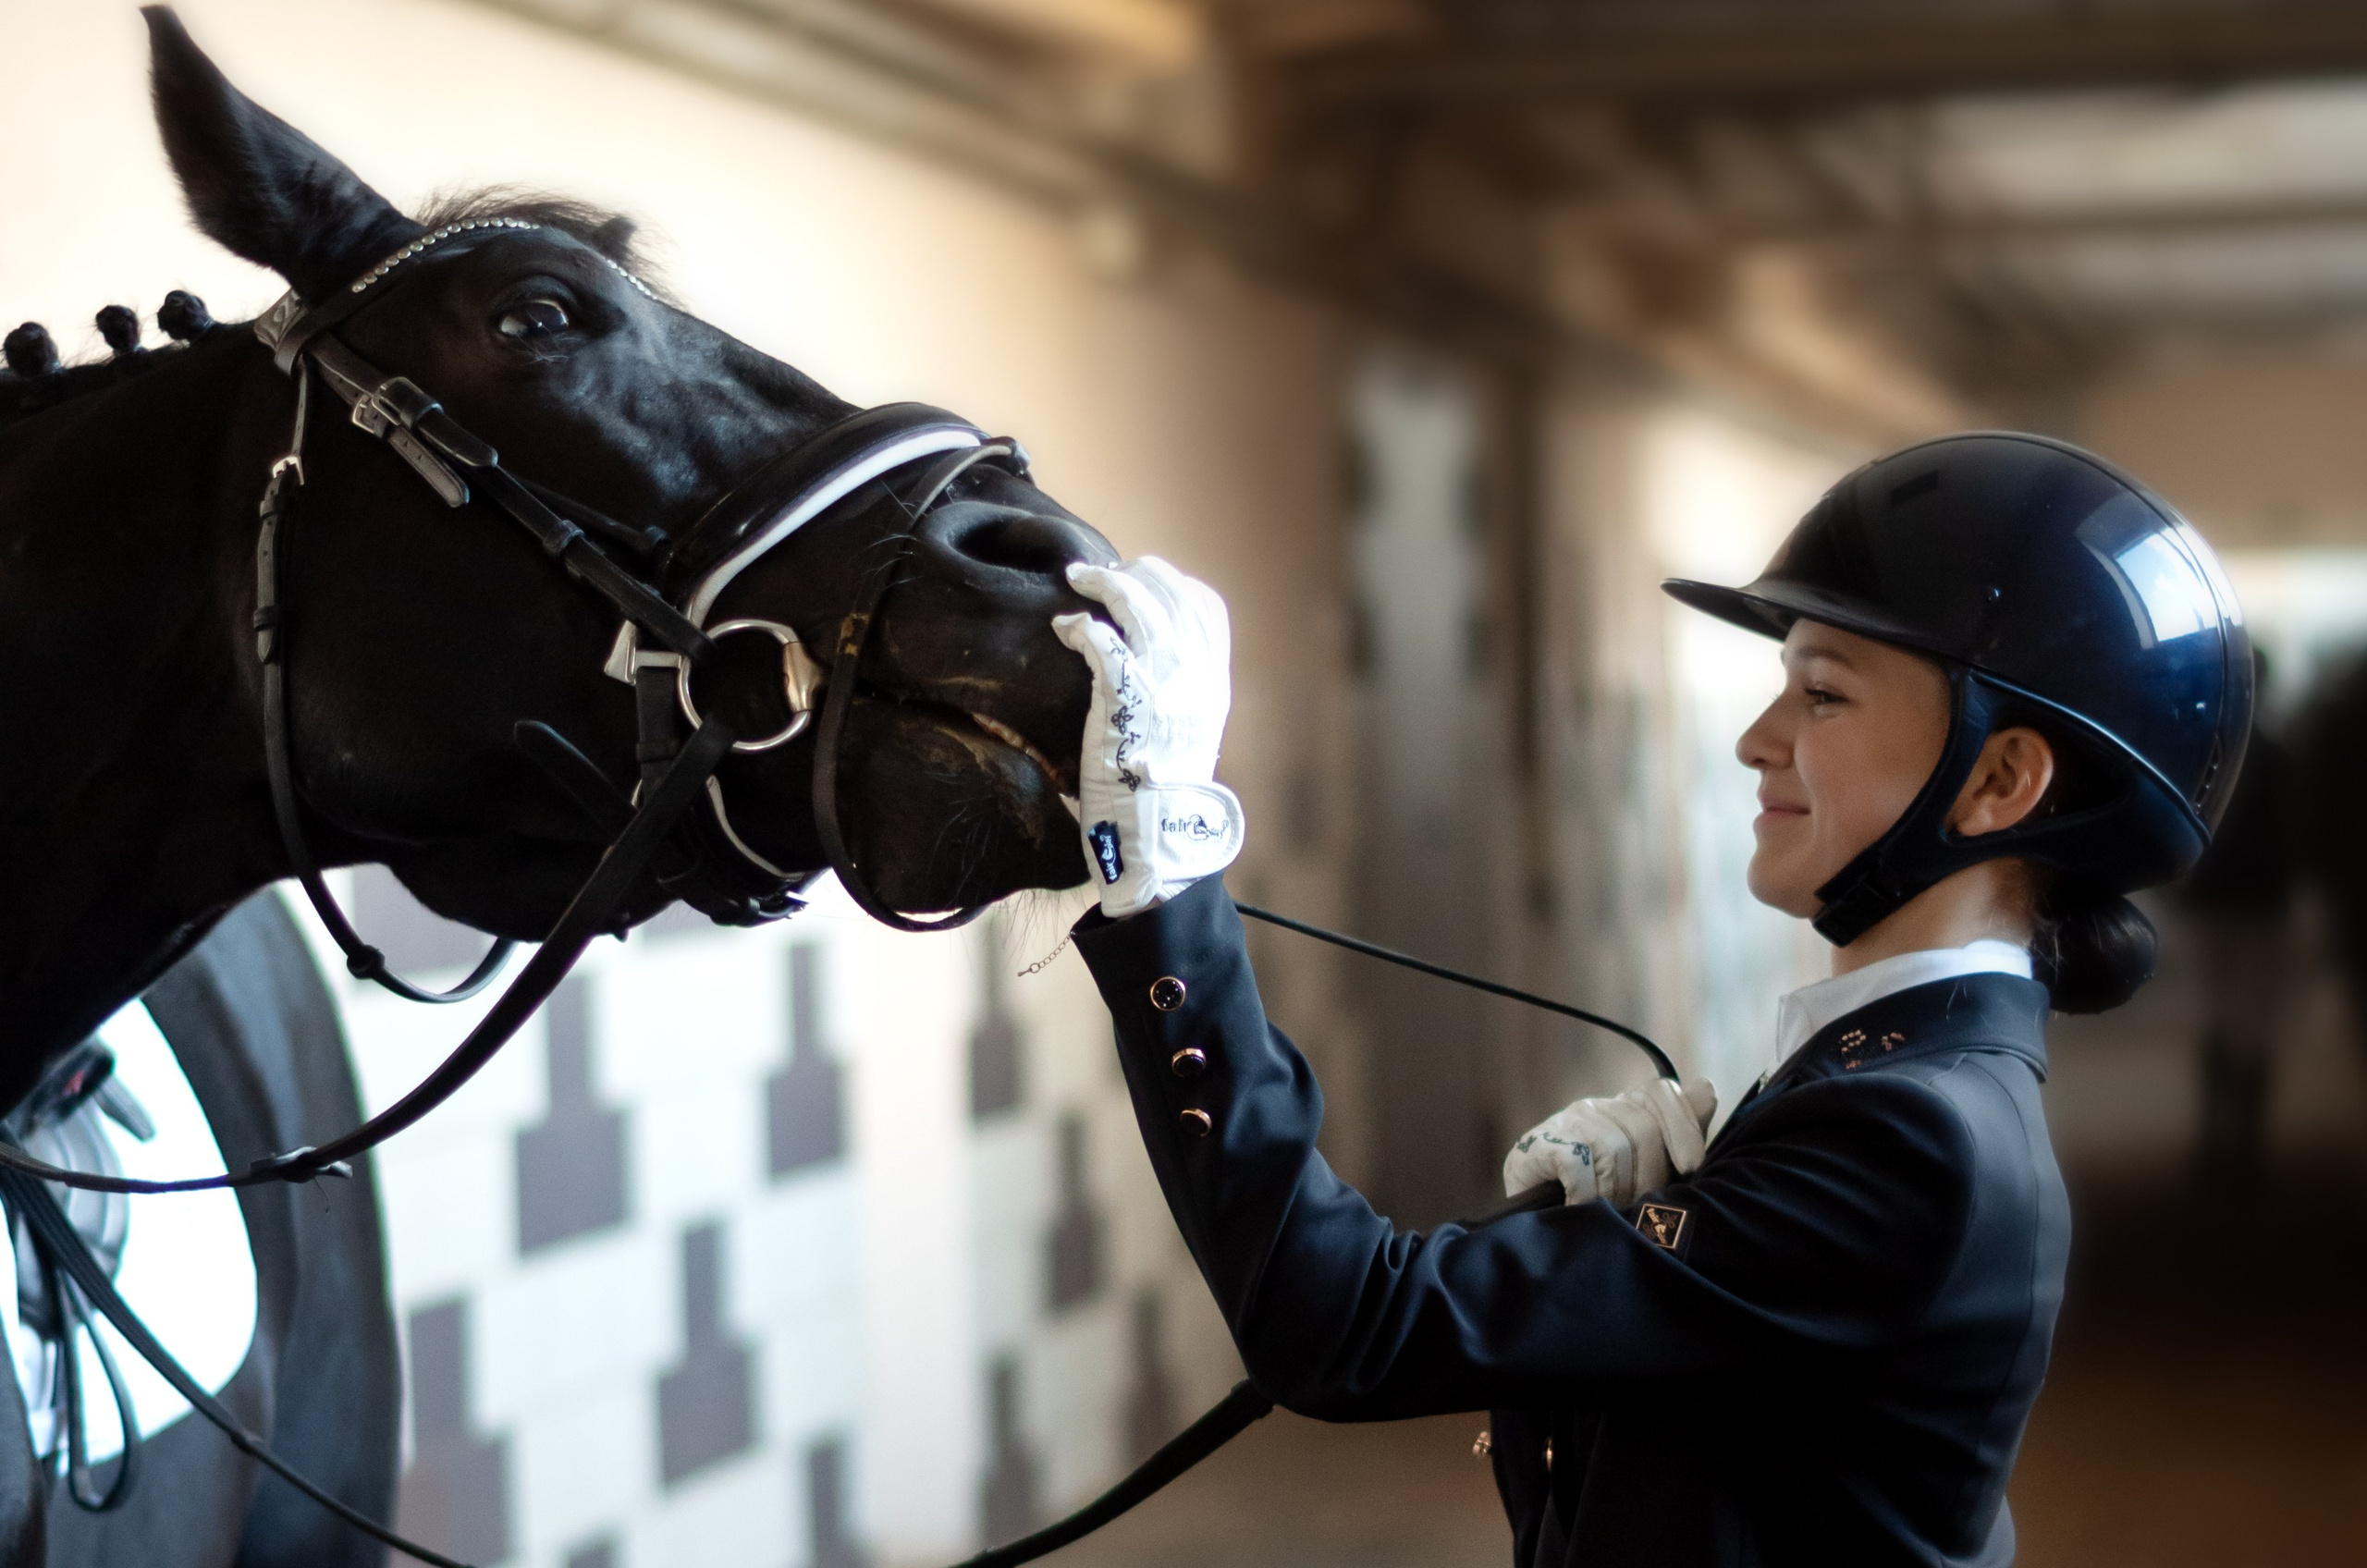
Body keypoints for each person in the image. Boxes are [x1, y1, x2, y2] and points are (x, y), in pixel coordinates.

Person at [1049, 432, 2250, 1567]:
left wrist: (1163, 876)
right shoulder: (1902, 1084)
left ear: (1999, 778)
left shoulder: (1914, 1138)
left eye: (1822, 696)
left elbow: (1345, 1326)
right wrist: (1637, 1257)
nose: (1755, 739)